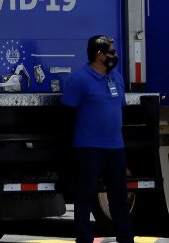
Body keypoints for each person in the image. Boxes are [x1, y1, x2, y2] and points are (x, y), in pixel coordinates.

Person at [61, 35, 134, 243]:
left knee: (119, 196)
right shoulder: (80, 79)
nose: (115, 55)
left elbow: (120, 108)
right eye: (111, 52)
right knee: (85, 196)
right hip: (89, 148)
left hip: (115, 147)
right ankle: (84, 237)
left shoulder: (116, 77)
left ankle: (125, 236)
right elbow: (67, 113)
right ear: (99, 55)